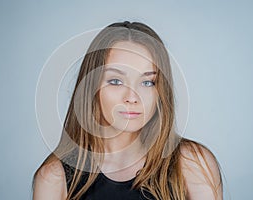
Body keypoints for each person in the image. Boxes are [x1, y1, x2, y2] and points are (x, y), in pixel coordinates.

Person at [32, 21, 223, 200]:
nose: (133, 97)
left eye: (147, 82)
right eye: (116, 81)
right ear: (91, 87)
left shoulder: (192, 163)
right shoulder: (54, 177)